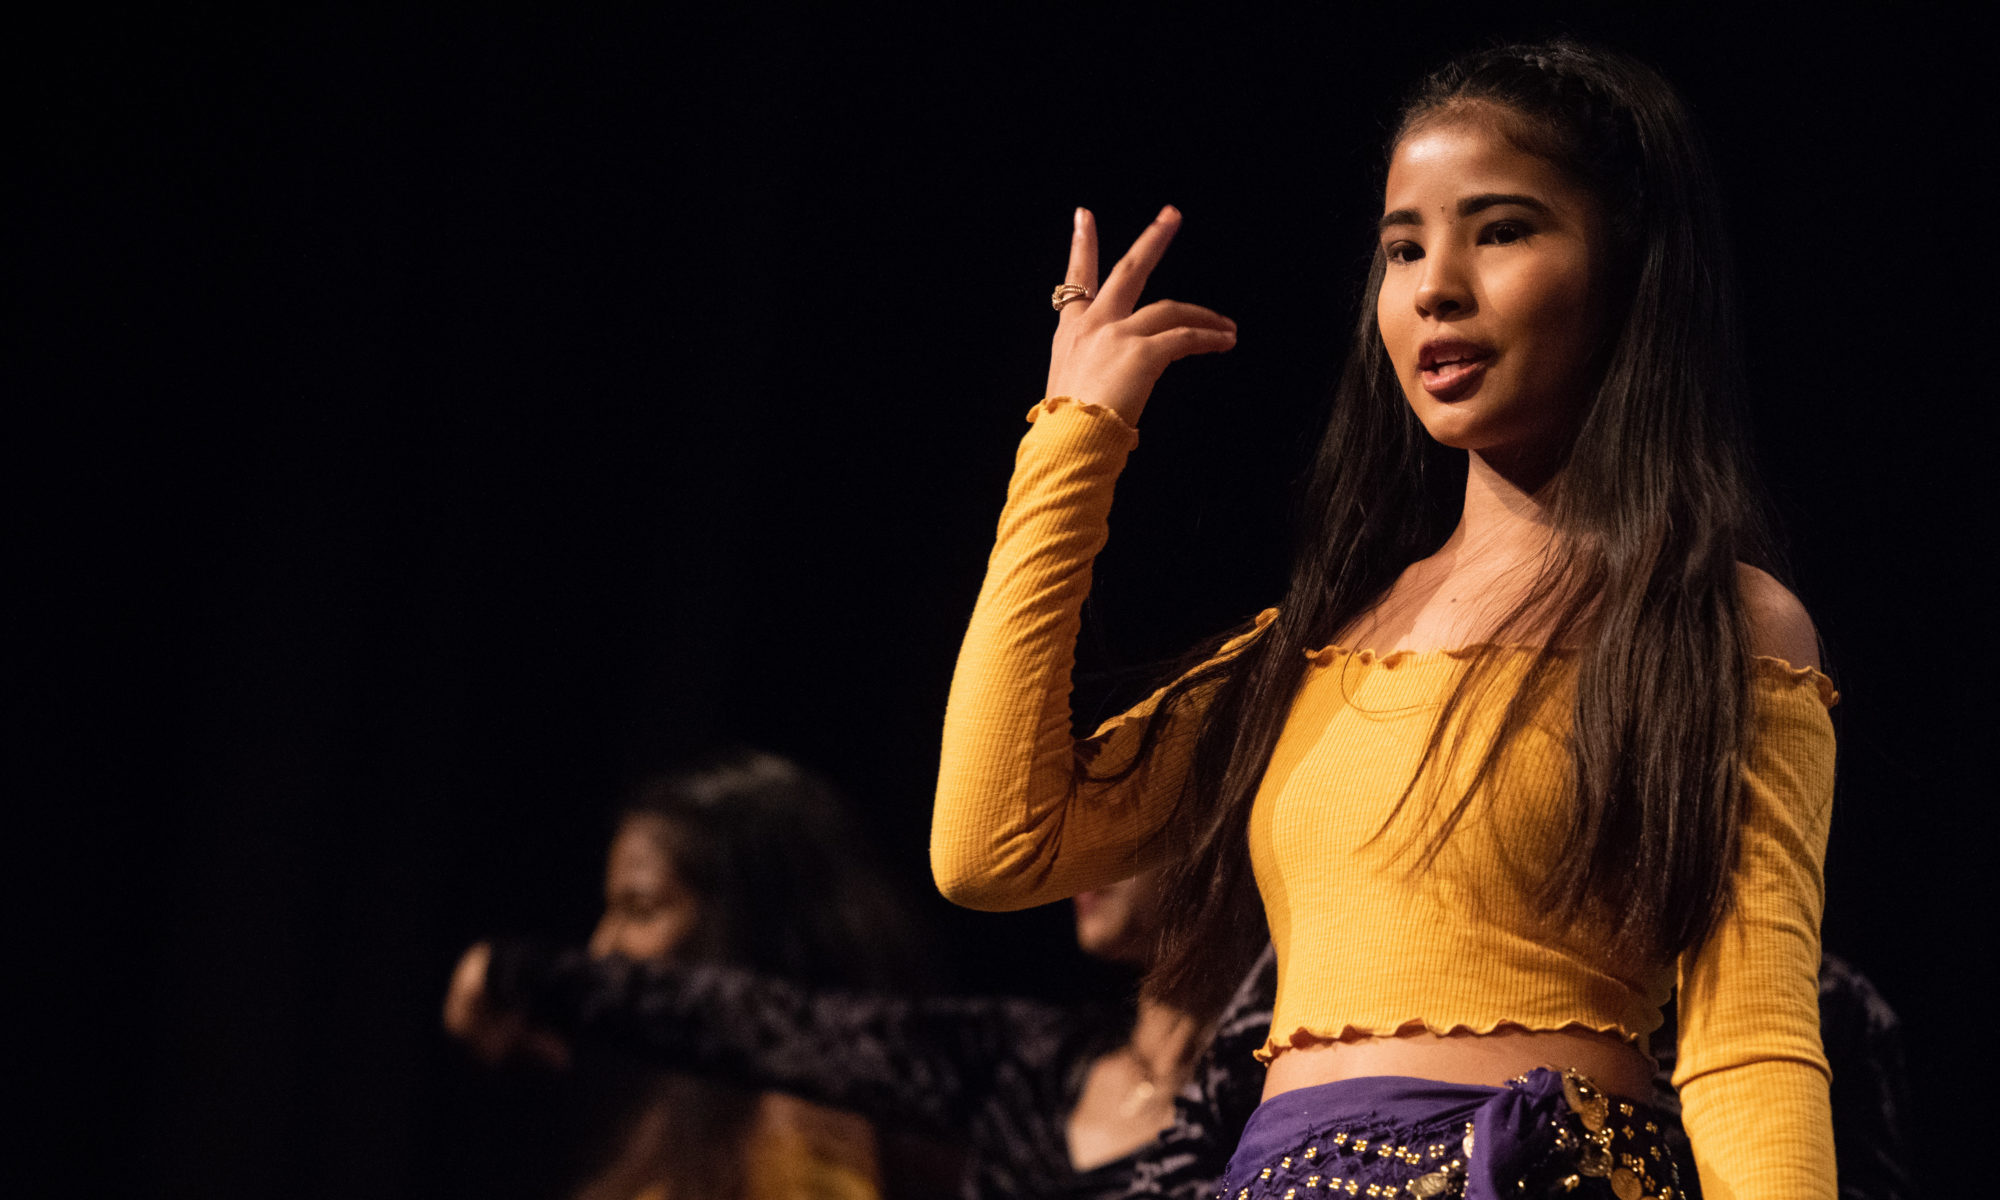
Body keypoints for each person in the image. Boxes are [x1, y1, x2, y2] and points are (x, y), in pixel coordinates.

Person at [932, 39, 1837, 1200]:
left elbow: (1748, 1046)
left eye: (1500, 231)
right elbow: (992, 847)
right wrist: (1069, 440)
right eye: (1401, 246)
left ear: (1629, 269)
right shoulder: (1313, 645)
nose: (1432, 286)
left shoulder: (1710, 624)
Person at [450, 863, 1283, 1200]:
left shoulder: (1281, 1097)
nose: (1076, 849)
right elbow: (774, 1027)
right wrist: (521, 973)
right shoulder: (1026, 1060)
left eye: (1126, 811)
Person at [446, 748, 922, 1200]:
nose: (603, 948)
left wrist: (511, 972)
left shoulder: (804, 1122)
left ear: (744, 925)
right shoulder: (685, 1114)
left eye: (641, 909)